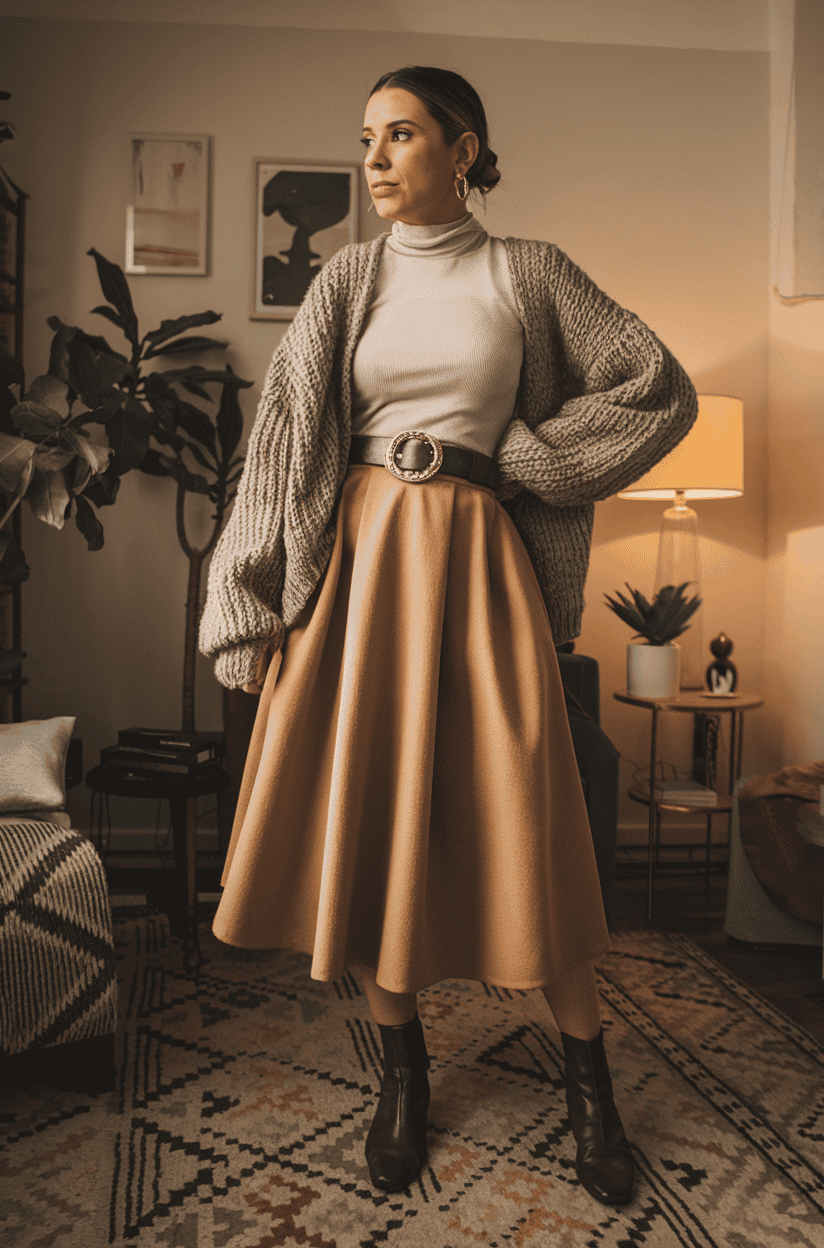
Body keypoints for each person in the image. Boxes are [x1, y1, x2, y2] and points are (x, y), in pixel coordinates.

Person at [198, 65, 697, 1208]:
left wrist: (522, 455)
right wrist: (254, 603)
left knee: (533, 816)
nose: (374, 158)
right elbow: (280, 449)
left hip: (479, 569)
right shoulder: (345, 282)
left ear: (463, 150)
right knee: (374, 820)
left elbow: (655, 386)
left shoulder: (529, 272)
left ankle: (591, 1090)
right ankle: (405, 1080)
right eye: (366, 137)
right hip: (358, 575)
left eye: (401, 135)